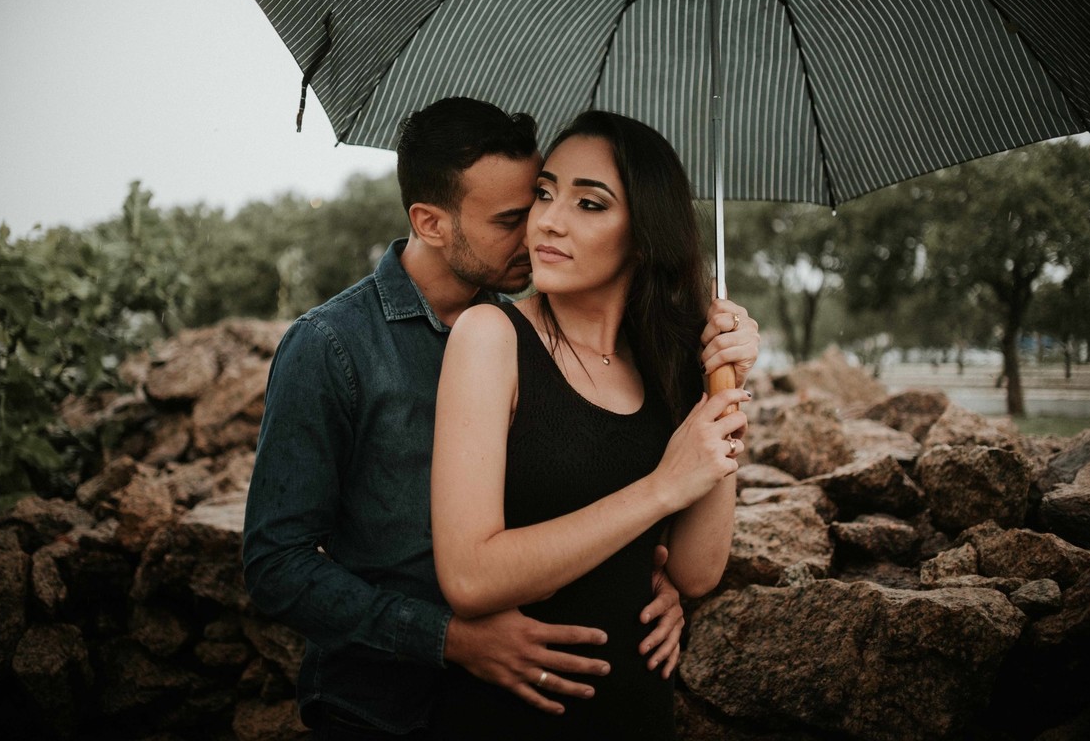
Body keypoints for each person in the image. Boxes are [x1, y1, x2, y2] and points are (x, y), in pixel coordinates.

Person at [243, 97, 760, 739]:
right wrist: (449, 639)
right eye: (520, 212)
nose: (538, 229)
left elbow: (644, 526)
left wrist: (650, 575)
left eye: (555, 200)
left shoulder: (576, 337)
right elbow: (277, 563)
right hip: (385, 706)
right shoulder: (336, 345)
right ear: (431, 223)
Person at [429, 110, 755, 740]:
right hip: (512, 721)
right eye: (545, 193)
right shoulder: (491, 336)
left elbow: (696, 572)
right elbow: (470, 577)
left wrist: (729, 385)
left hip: (638, 715)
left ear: (644, 234)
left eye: (590, 203)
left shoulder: (670, 360)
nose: (548, 219)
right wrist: (661, 488)